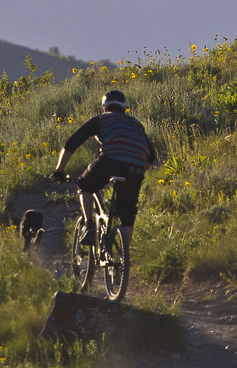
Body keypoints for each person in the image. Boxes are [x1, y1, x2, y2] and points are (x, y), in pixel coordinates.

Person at [50, 89, 158, 266]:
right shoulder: (136, 123)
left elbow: (72, 143)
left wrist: (59, 170)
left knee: (86, 185)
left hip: (110, 160)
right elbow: (151, 156)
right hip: (136, 167)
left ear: (104, 107)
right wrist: (137, 174)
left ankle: (89, 224)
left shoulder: (101, 119)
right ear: (125, 108)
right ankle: (122, 260)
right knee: (127, 214)